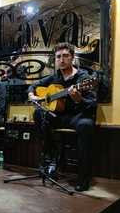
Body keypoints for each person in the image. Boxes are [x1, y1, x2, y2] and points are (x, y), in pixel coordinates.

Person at [27, 42, 97, 191]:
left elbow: (91, 104)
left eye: (65, 56)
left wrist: (79, 99)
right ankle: (51, 157)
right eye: (58, 57)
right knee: (39, 113)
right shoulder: (55, 77)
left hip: (77, 116)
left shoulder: (83, 78)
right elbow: (34, 86)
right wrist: (31, 94)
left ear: (72, 58)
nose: (61, 59)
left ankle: (84, 178)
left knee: (86, 126)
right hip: (58, 116)